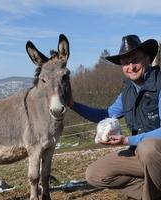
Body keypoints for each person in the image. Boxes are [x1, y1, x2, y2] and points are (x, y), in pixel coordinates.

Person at [69, 35, 161, 200]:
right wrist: (73, 105)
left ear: (147, 59)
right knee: (95, 173)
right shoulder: (127, 92)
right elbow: (106, 115)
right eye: (125, 63)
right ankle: (150, 191)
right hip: (140, 155)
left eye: (135, 61)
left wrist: (127, 141)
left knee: (148, 148)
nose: (131, 67)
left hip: (155, 154)